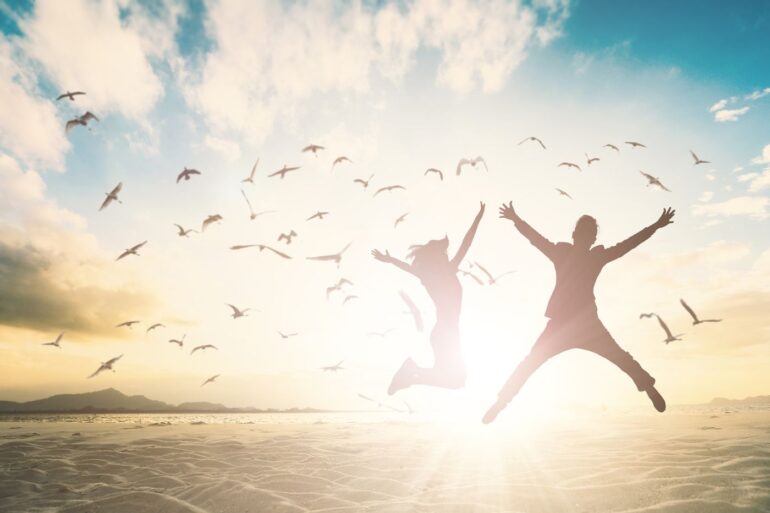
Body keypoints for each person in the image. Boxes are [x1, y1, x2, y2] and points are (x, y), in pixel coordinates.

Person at [483, 203, 675, 423]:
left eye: (588, 235)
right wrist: (656, 226)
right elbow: (628, 244)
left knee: (531, 362)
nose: (586, 239)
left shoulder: (572, 254)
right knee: (619, 357)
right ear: (583, 237)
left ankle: (502, 401)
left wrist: (516, 219)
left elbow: (535, 238)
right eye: (587, 235)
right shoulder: (584, 256)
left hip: (575, 324)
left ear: (581, 237)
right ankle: (648, 386)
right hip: (577, 324)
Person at [372, 202, 485, 394]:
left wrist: (390, 260)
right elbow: (466, 244)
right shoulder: (447, 271)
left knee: (455, 381)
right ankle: (411, 371)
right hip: (445, 333)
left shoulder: (427, 275)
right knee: (455, 380)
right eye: (443, 254)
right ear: (438, 258)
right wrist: (478, 219)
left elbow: (406, 268)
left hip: (445, 332)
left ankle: (410, 374)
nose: (446, 256)